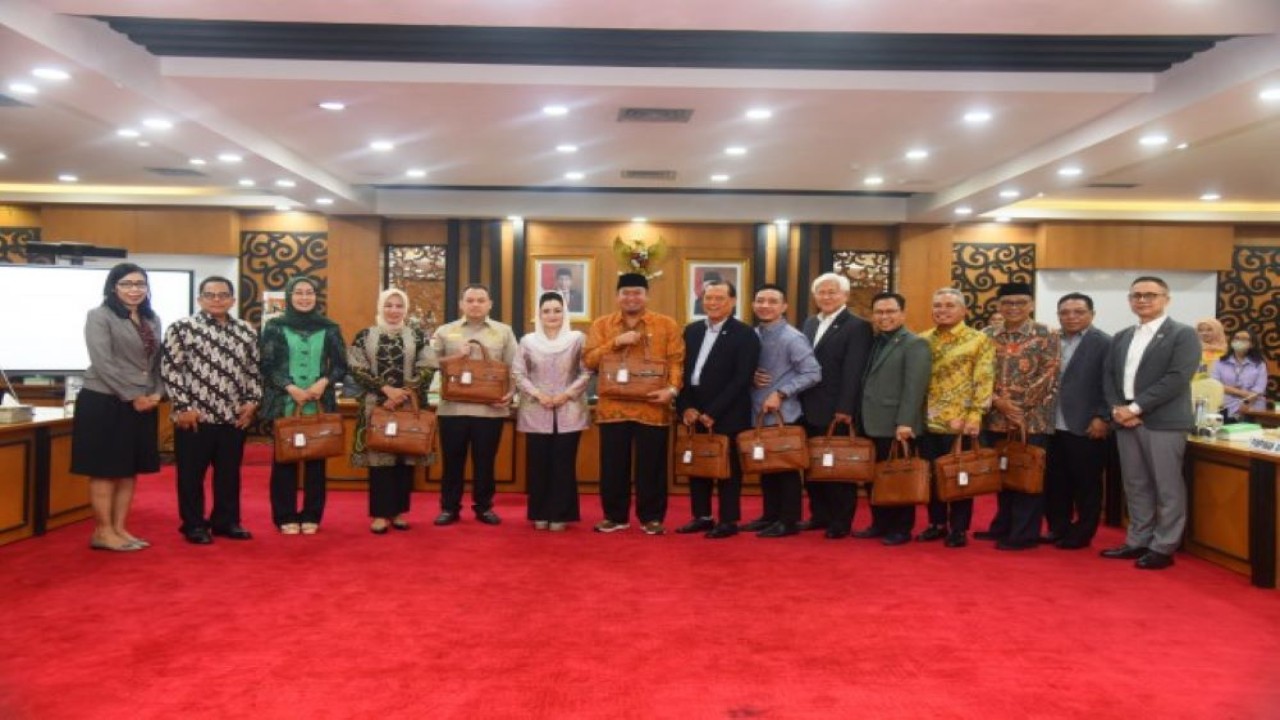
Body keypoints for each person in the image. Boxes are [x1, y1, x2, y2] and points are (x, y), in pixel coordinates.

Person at [1101, 276, 1201, 570]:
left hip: (1163, 421)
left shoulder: (1182, 334)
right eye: (1136, 295)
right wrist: (1118, 409)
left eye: (1150, 295)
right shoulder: (1121, 336)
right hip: (1125, 420)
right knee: (1135, 484)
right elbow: (1108, 376)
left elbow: (1177, 378)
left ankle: (1164, 546)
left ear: (1166, 299)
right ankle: (1138, 540)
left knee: (1166, 485)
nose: (1142, 300)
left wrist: (1135, 408)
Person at [161, 276, 262, 544]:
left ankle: (226, 521)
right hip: (195, 416)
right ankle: (193, 524)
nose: (217, 299)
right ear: (199, 299)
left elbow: (253, 371)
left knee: (229, 475)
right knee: (191, 476)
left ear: (232, 299)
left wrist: (251, 403)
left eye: (222, 295)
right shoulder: (182, 329)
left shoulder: (246, 330)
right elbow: (171, 370)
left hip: (233, 417)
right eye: (210, 294)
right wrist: (183, 406)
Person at [71, 262, 164, 552]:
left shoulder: (152, 318)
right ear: (114, 287)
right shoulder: (99, 316)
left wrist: (157, 393)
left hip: (142, 402)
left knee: (127, 469)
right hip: (104, 400)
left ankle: (120, 529)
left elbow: (156, 363)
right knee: (104, 469)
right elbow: (103, 363)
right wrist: (132, 396)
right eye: (127, 284)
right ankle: (103, 530)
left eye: (140, 284)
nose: (134, 290)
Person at [584, 272, 684, 535]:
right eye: (626, 293)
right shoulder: (602, 325)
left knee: (652, 465)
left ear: (647, 296)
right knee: (613, 465)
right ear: (617, 297)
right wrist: (615, 343)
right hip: (612, 407)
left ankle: (652, 518)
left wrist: (672, 391)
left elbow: (676, 361)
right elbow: (589, 361)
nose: (631, 297)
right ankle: (615, 516)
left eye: (637, 292)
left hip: (652, 406)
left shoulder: (666, 324)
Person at [260, 276, 348, 535]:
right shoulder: (275, 326)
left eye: (309, 293)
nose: (304, 297)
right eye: (298, 293)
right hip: (285, 402)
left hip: (320, 403)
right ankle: (285, 515)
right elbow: (267, 365)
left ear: (316, 296)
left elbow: (341, 365)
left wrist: (324, 382)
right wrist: (290, 387)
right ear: (289, 296)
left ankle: (312, 514)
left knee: (316, 464)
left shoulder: (330, 327)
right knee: (284, 462)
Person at [976, 282, 1060, 551]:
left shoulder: (1046, 334)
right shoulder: (986, 334)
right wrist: (998, 402)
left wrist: (1017, 408)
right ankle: (1002, 526)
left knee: (1027, 475)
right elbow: (978, 374)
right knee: (1002, 474)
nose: (1013, 308)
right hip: (995, 417)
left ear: (1031, 305)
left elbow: (1049, 375)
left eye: (1020, 303)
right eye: (1008, 303)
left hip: (1031, 419)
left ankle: (1024, 534)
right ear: (999, 306)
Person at [674, 280, 760, 539]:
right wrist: (686, 407)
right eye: (708, 298)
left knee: (727, 468)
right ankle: (702, 516)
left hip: (728, 411)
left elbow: (742, 378)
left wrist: (713, 411)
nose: (712, 303)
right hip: (694, 408)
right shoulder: (691, 331)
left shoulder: (745, 334)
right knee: (697, 464)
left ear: (733, 302)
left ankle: (728, 520)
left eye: (719, 298)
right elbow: (682, 373)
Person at [426, 284, 518, 526]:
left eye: (480, 300)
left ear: (490, 304)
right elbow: (428, 362)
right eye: (470, 300)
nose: (475, 304)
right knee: (452, 461)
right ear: (461, 304)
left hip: (490, 410)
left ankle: (484, 507)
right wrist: (455, 356)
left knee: (485, 462)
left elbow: (515, 367)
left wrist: (511, 393)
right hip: (453, 409)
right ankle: (449, 508)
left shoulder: (504, 332)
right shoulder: (445, 331)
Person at [348, 288, 433, 534]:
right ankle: (379, 514)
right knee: (380, 460)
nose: (394, 310)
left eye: (399, 306)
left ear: (405, 310)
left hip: (408, 405)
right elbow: (357, 367)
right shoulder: (365, 335)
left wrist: (404, 392)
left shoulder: (417, 336)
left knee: (404, 458)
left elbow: (427, 366)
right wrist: (386, 390)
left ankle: (398, 512)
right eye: (389, 305)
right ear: (380, 307)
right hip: (377, 406)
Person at [916, 287, 995, 548]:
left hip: (960, 422)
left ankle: (959, 528)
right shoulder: (922, 339)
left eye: (950, 305)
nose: (943, 310)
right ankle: (936, 523)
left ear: (963, 311)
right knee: (932, 476)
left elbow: (983, 380)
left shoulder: (979, 340)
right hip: (926, 421)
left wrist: (975, 415)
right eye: (938, 305)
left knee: (961, 476)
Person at [798, 272, 872, 539]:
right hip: (807, 406)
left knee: (838, 467)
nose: (826, 297)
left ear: (845, 296)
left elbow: (854, 371)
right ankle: (819, 515)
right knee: (813, 466)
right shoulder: (808, 322)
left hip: (836, 410)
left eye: (832, 292)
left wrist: (846, 408)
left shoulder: (857, 326)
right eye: (821, 292)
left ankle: (841, 521)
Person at [512, 292, 592, 531]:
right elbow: (518, 373)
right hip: (536, 409)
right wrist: (539, 395)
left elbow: (586, 372)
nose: (552, 315)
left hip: (570, 409)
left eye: (557, 310)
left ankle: (560, 514)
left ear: (564, 312)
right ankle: (539, 512)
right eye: (546, 311)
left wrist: (565, 395)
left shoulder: (577, 338)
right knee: (538, 464)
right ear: (539, 314)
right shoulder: (527, 341)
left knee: (563, 464)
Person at [746, 284, 821, 537]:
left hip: (784, 414)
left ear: (784, 307)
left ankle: (788, 521)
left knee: (786, 469)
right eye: (760, 300)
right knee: (768, 468)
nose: (765, 305)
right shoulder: (754, 334)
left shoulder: (792, 337)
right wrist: (751, 375)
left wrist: (781, 393)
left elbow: (813, 372)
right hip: (758, 413)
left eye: (772, 301)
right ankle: (770, 515)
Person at [858, 291, 931, 546]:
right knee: (876, 477)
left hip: (897, 424)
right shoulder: (875, 340)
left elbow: (915, 388)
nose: (884, 316)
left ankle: (901, 528)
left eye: (890, 312)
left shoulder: (914, 343)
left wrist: (906, 423)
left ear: (902, 314)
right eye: (879, 312)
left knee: (899, 478)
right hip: (871, 421)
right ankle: (879, 523)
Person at [1043, 292, 1112, 550]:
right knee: (1055, 482)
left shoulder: (1105, 343)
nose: (1071, 317)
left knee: (1086, 483)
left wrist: (1102, 416)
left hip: (1086, 424)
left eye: (1078, 312)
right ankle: (1057, 527)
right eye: (1065, 312)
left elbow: (1112, 384)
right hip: (1050, 424)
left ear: (1092, 315)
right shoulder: (1050, 340)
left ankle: (1082, 533)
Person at [1212, 328, 1268, 423]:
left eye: (1244, 339)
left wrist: (1246, 402)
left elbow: (1259, 389)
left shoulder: (1259, 364)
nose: (1239, 341)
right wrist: (1242, 393)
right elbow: (1215, 384)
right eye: (1236, 338)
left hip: (1253, 408)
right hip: (1226, 406)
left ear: (1252, 344)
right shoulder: (1220, 362)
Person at [1193, 317, 1227, 382]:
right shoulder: (1191, 349)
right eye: (1200, 330)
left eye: (1209, 330)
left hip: (1220, 388)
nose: (1204, 333)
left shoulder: (1227, 352)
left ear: (1218, 330)